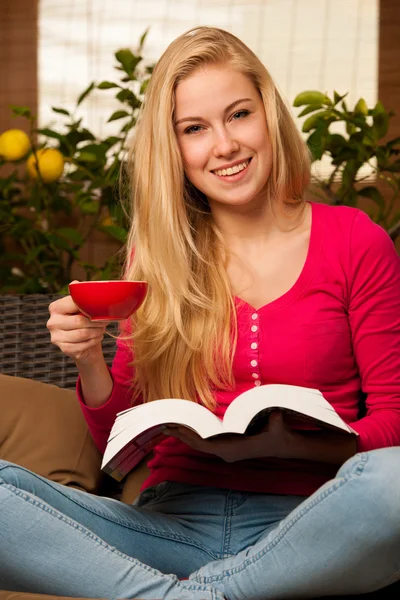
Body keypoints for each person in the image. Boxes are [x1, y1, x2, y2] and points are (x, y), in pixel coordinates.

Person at [1, 25, 400, 600]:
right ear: (175, 148)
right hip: (169, 530)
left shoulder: (355, 242)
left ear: (269, 114)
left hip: (314, 526)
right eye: (195, 129)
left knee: (394, 482)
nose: (225, 146)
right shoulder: (159, 257)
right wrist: (89, 357)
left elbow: (392, 422)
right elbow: (121, 445)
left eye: (239, 115)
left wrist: (295, 448)